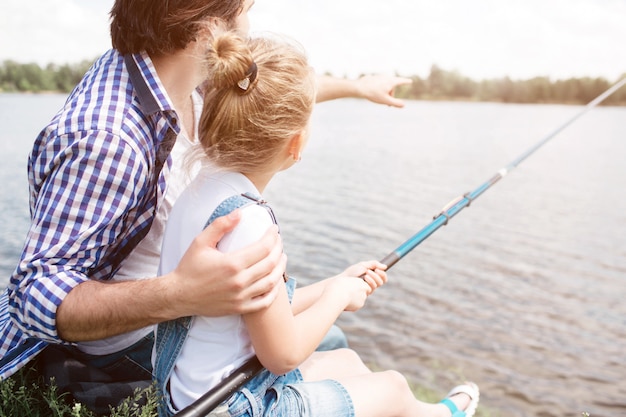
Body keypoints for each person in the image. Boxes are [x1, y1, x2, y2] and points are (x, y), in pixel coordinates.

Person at [0, 0, 412, 412]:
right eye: (247, 7)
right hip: (123, 343)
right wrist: (179, 294)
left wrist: (358, 87)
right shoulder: (111, 140)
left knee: (330, 340)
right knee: (330, 344)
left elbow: (271, 96)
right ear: (211, 28)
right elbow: (32, 295)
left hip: (176, 310)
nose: (250, 22)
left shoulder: (184, 74)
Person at [155, 31, 479, 417]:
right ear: (295, 144)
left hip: (185, 394)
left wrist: (336, 282)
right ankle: (446, 414)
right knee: (392, 387)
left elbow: (251, 312)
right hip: (230, 407)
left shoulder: (199, 188)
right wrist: (338, 298)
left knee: (348, 363)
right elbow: (283, 354)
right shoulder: (250, 223)